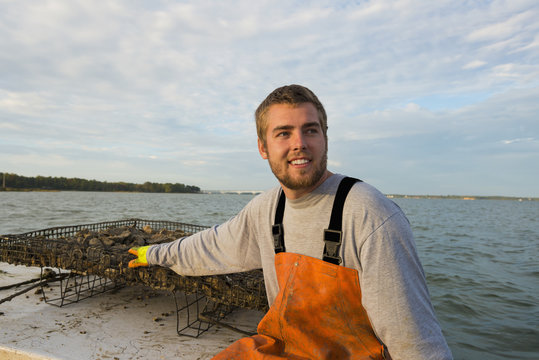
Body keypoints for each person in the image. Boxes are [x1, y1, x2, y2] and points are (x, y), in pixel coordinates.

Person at [128, 84, 453, 359]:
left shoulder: (369, 213)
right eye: (283, 133)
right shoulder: (266, 209)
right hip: (283, 348)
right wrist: (153, 254)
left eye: (310, 130)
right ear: (263, 148)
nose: (299, 143)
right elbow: (210, 245)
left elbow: (413, 338)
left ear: (324, 137)